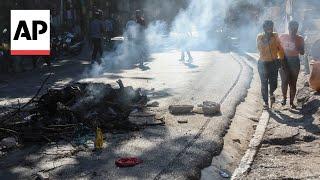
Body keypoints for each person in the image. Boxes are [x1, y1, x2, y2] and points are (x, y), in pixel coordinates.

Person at [257, 20, 284, 109]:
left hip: (273, 63)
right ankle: (265, 102)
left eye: (271, 27)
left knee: (274, 83)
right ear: (264, 28)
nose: (270, 29)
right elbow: (260, 48)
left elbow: (280, 48)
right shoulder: (260, 37)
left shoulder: (276, 35)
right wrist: (268, 40)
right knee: (264, 83)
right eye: (268, 27)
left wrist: (281, 58)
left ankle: (271, 93)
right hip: (263, 63)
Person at [279, 21, 305, 109]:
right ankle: (284, 98)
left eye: (295, 29)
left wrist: (299, 47)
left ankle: (291, 102)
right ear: (288, 28)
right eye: (292, 28)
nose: (293, 30)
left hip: (294, 61)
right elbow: (278, 48)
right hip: (284, 60)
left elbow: (302, 52)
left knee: (293, 83)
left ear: (297, 29)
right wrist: (280, 60)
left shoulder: (300, 38)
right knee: (284, 81)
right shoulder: (283, 36)